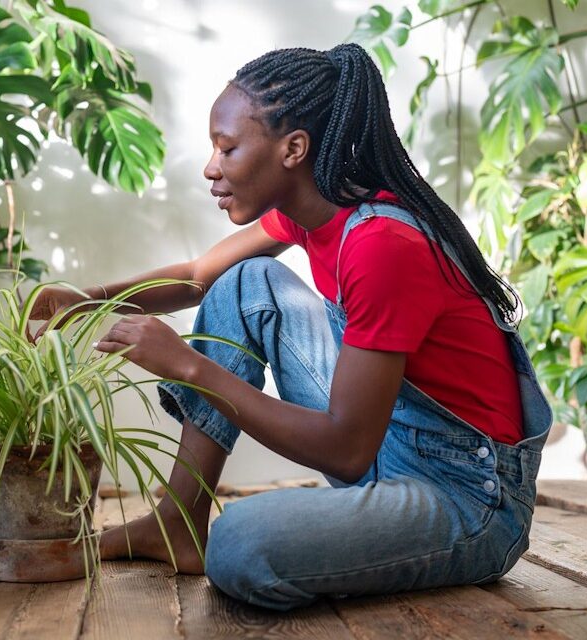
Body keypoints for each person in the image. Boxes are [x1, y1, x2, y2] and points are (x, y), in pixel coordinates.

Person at [29, 43, 552, 611]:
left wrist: (185, 363)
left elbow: (347, 451)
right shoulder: (314, 211)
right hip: (391, 443)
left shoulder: (382, 244)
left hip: (467, 496)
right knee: (243, 284)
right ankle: (178, 521)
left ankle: (214, 531)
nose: (211, 167)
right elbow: (199, 277)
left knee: (242, 546)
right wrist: (84, 300)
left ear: (292, 149)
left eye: (227, 148)